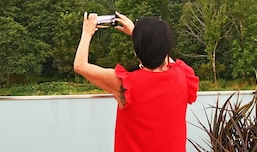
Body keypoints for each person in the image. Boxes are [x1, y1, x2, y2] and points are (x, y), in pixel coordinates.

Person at [74, 12, 199, 152]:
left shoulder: (125, 84)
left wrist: (87, 32)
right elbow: (165, 57)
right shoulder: (183, 76)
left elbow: (80, 65)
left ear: (135, 52)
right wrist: (140, 36)